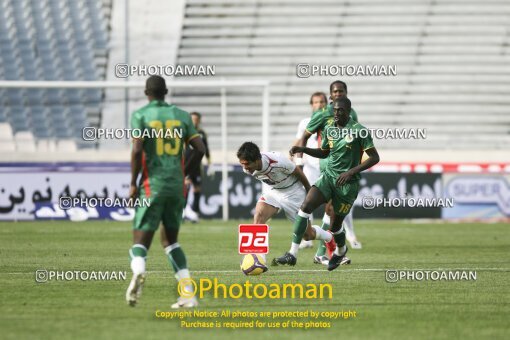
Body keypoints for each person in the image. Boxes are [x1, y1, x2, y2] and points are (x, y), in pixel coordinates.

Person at [126, 75, 206, 308]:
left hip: (153, 185)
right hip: (176, 187)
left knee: (140, 242)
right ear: (166, 91)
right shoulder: (181, 116)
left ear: (146, 93)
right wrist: (185, 174)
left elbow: (137, 150)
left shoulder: (141, 115)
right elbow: (199, 149)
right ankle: (188, 295)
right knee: (170, 241)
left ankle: (139, 270)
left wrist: (133, 183)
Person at [280, 96, 380, 271]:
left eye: (340, 110)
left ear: (349, 111)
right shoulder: (329, 129)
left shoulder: (359, 131)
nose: (336, 113)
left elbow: (374, 157)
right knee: (305, 207)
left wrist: (351, 172)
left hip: (347, 185)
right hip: (327, 178)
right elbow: (324, 152)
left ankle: (340, 251)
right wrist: (303, 149)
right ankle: (292, 253)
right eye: (334, 110)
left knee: (335, 225)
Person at [295, 81, 363, 267]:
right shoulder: (321, 115)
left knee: (331, 212)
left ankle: (323, 251)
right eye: (335, 92)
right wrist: (298, 163)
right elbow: (302, 137)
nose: (338, 94)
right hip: (319, 168)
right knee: (309, 206)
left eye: (341, 91)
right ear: (330, 95)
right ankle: (308, 244)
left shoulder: (351, 114)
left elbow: (356, 140)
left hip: (338, 170)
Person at [237, 142, 336, 264]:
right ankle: (258, 259)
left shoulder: (278, 161)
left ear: (257, 160)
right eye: (242, 164)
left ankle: (329, 237)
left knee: (307, 235)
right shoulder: (248, 168)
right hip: (273, 192)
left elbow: (298, 172)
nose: (245, 168)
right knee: (258, 216)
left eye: (247, 164)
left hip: (294, 194)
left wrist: (309, 192)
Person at [294, 92, 328, 250]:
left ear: (326, 103)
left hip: (328, 167)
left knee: (334, 205)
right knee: (306, 201)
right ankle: (307, 237)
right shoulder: (305, 123)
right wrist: (296, 161)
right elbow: (299, 141)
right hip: (311, 167)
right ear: (311, 104)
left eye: (322, 102)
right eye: (315, 102)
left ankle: (348, 235)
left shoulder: (331, 121)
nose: (319, 104)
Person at [183, 111, 212, 223]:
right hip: (187, 163)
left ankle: (195, 213)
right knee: (185, 188)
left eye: (196, 119)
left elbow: (206, 148)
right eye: (192, 119)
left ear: (199, 120)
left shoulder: (202, 133)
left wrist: (209, 163)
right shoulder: (185, 131)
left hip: (197, 165)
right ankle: (182, 213)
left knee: (197, 189)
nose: (194, 121)